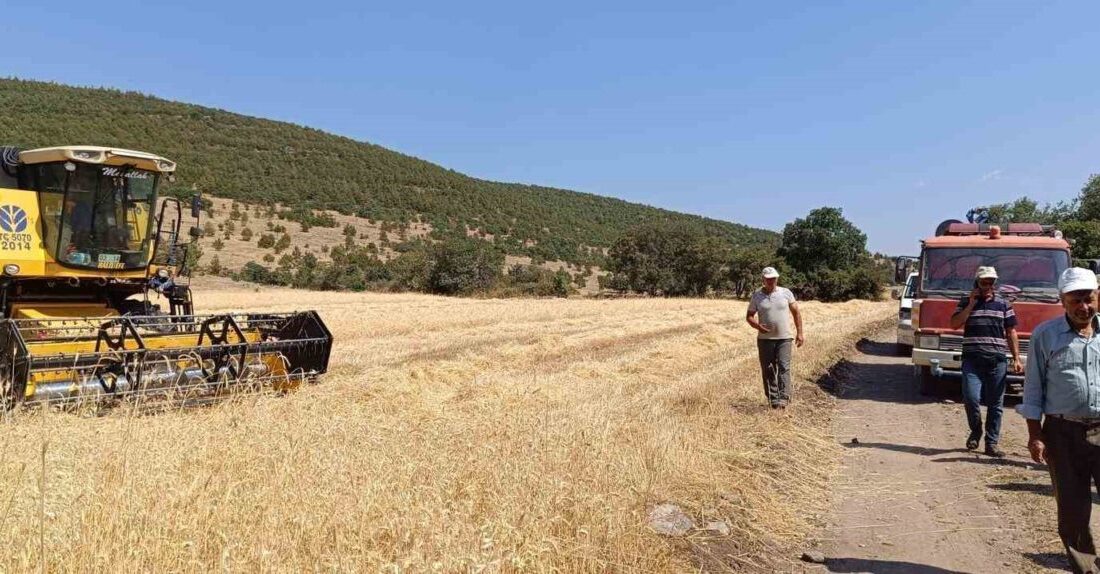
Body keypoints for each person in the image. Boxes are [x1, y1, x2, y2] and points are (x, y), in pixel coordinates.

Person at [1022, 267, 1100, 574]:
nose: (1083, 307)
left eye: (1089, 298)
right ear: (1062, 301)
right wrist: (1034, 433)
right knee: (1072, 508)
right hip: (1062, 432)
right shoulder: (1046, 335)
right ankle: (1086, 567)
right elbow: (1033, 388)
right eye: (1075, 300)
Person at [949, 266, 1022, 457]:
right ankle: (976, 430)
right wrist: (971, 304)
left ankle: (991, 443)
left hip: (997, 360)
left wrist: (1016, 358)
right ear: (977, 282)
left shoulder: (1004, 304)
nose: (988, 285)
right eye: (984, 282)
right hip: (972, 360)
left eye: (991, 282)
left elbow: (1011, 332)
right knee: (971, 398)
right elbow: (955, 324)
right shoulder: (966, 301)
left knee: (995, 404)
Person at [746, 267, 804, 409]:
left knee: (784, 366)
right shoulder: (757, 296)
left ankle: (784, 398)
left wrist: (800, 333)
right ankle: (773, 399)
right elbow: (749, 316)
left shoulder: (786, 293)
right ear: (763, 280)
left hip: (784, 338)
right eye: (769, 279)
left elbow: (796, 312)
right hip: (765, 339)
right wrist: (758, 326)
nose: (772, 281)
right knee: (768, 369)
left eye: (774, 278)